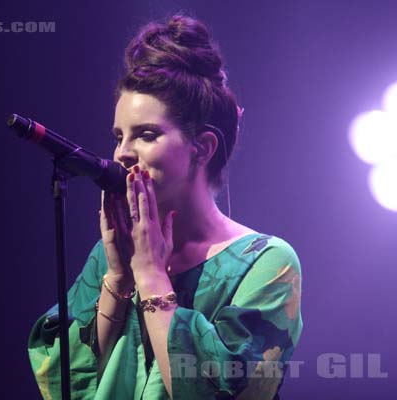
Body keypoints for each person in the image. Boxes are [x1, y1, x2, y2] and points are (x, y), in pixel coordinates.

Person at [28, 14, 302, 400]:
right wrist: (120, 280)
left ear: (202, 147)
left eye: (147, 135)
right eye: (118, 136)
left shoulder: (268, 263)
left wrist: (152, 275)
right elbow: (57, 382)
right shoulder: (110, 258)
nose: (122, 153)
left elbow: (227, 392)